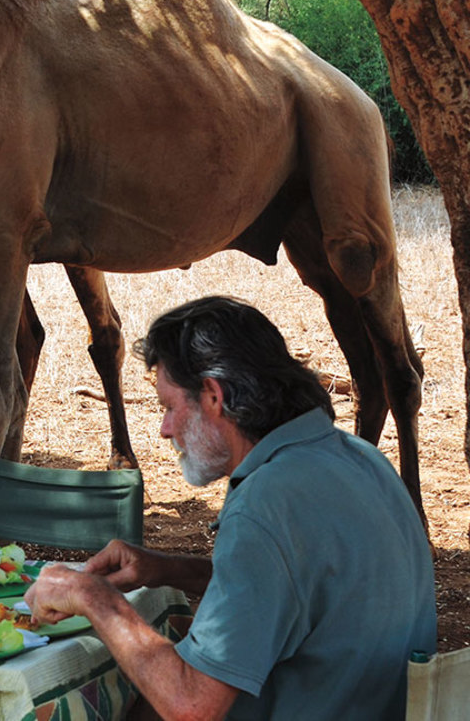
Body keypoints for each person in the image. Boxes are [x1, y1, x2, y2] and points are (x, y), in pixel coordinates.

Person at [26, 295, 435, 721]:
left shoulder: (266, 505)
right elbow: (296, 590)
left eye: (168, 407)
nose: (165, 430)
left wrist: (93, 597)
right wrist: (167, 569)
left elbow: (192, 706)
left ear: (214, 396)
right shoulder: (360, 458)